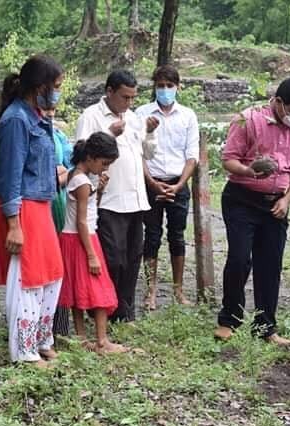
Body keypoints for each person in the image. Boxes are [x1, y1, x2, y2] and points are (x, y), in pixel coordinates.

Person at [214, 75, 290, 346]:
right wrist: (250, 170)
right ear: (280, 102)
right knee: (239, 259)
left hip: (276, 203)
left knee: (270, 264)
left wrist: (288, 200)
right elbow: (228, 160)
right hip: (242, 199)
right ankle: (229, 319)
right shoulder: (247, 119)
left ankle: (265, 327)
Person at [0, 55, 65, 367]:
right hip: (23, 209)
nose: (58, 93)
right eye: (56, 87)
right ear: (40, 87)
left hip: (42, 204)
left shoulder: (38, 116)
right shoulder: (16, 120)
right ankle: (24, 350)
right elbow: (9, 175)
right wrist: (14, 224)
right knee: (28, 278)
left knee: (51, 274)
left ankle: (41, 338)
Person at [75, 70, 159, 323]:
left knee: (133, 259)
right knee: (113, 259)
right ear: (109, 92)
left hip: (135, 199)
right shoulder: (91, 116)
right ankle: (104, 309)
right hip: (109, 200)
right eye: (125, 97)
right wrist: (110, 134)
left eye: (133, 98)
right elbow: (81, 155)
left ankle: (125, 312)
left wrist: (151, 132)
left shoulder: (133, 118)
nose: (129, 103)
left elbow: (148, 154)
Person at [58, 132, 131, 354]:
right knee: (100, 289)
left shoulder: (75, 175)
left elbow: (90, 209)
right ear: (90, 157)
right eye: (104, 163)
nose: (105, 168)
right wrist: (91, 254)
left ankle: (81, 338)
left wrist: (99, 190)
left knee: (78, 288)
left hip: (73, 238)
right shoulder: (81, 182)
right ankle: (102, 341)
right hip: (83, 239)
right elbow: (82, 221)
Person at [136, 65, 199, 310]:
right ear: (154, 86)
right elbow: (139, 152)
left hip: (178, 182)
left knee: (177, 236)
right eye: (160, 86)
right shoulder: (142, 113)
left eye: (169, 86)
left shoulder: (187, 116)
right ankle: (150, 292)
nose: (165, 90)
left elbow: (191, 155)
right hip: (150, 181)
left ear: (177, 87)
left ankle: (178, 290)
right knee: (151, 236)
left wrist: (180, 184)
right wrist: (151, 182)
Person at [42, 106, 74, 337]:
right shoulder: (30, 131)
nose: (51, 111)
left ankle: (59, 328)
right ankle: (38, 326)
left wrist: (62, 174)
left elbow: (72, 166)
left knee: (60, 265)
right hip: (41, 205)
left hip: (60, 205)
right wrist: (58, 175)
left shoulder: (59, 134)